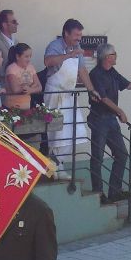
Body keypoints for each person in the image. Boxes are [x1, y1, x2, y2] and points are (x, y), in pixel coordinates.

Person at [87, 43, 131, 203]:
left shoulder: (112, 72)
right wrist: (120, 111)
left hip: (110, 119)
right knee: (97, 156)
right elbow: (103, 98)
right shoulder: (96, 74)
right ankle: (98, 193)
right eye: (114, 54)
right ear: (107, 57)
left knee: (122, 154)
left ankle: (114, 191)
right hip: (99, 118)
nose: (116, 56)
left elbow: (128, 85)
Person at [43, 19, 101, 178]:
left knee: (75, 132)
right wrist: (69, 55)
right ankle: (54, 168)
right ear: (66, 33)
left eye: (80, 36)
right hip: (54, 94)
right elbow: (48, 61)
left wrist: (91, 90)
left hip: (69, 94)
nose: (78, 39)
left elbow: (82, 70)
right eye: (76, 35)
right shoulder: (55, 45)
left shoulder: (77, 47)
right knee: (57, 133)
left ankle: (56, 164)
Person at [5, 43, 42, 111]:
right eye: (26, 56)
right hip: (12, 108)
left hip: (27, 106)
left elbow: (39, 87)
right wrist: (32, 86)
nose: (29, 59)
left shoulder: (31, 67)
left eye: (30, 56)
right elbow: (15, 89)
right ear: (18, 56)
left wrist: (30, 89)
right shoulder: (11, 68)